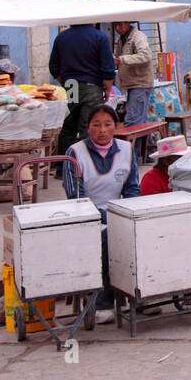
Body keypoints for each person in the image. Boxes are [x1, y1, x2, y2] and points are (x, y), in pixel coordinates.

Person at [64, 105, 140, 322]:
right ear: (88, 128)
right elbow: (76, 197)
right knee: (108, 239)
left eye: (108, 124)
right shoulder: (74, 153)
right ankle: (103, 303)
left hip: (121, 213)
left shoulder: (126, 150)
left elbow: (132, 189)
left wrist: (126, 214)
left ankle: (142, 298)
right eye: (96, 125)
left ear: (116, 127)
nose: (102, 130)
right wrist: (107, 218)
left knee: (144, 233)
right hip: (87, 218)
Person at [48, 23, 115, 155]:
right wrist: (107, 90)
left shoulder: (62, 37)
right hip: (91, 87)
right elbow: (108, 69)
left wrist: (66, 83)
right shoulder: (100, 37)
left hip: (71, 86)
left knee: (68, 126)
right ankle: (86, 165)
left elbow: (54, 67)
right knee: (89, 127)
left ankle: (63, 167)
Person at [112, 20, 154, 162]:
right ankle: (148, 153)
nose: (118, 28)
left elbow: (145, 56)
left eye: (120, 25)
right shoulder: (120, 39)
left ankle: (132, 157)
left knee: (132, 121)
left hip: (140, 82)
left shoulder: (138, 37)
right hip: (131, 83)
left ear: (128, 23)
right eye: (115, 25)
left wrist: (122, 60)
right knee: (140, 120)